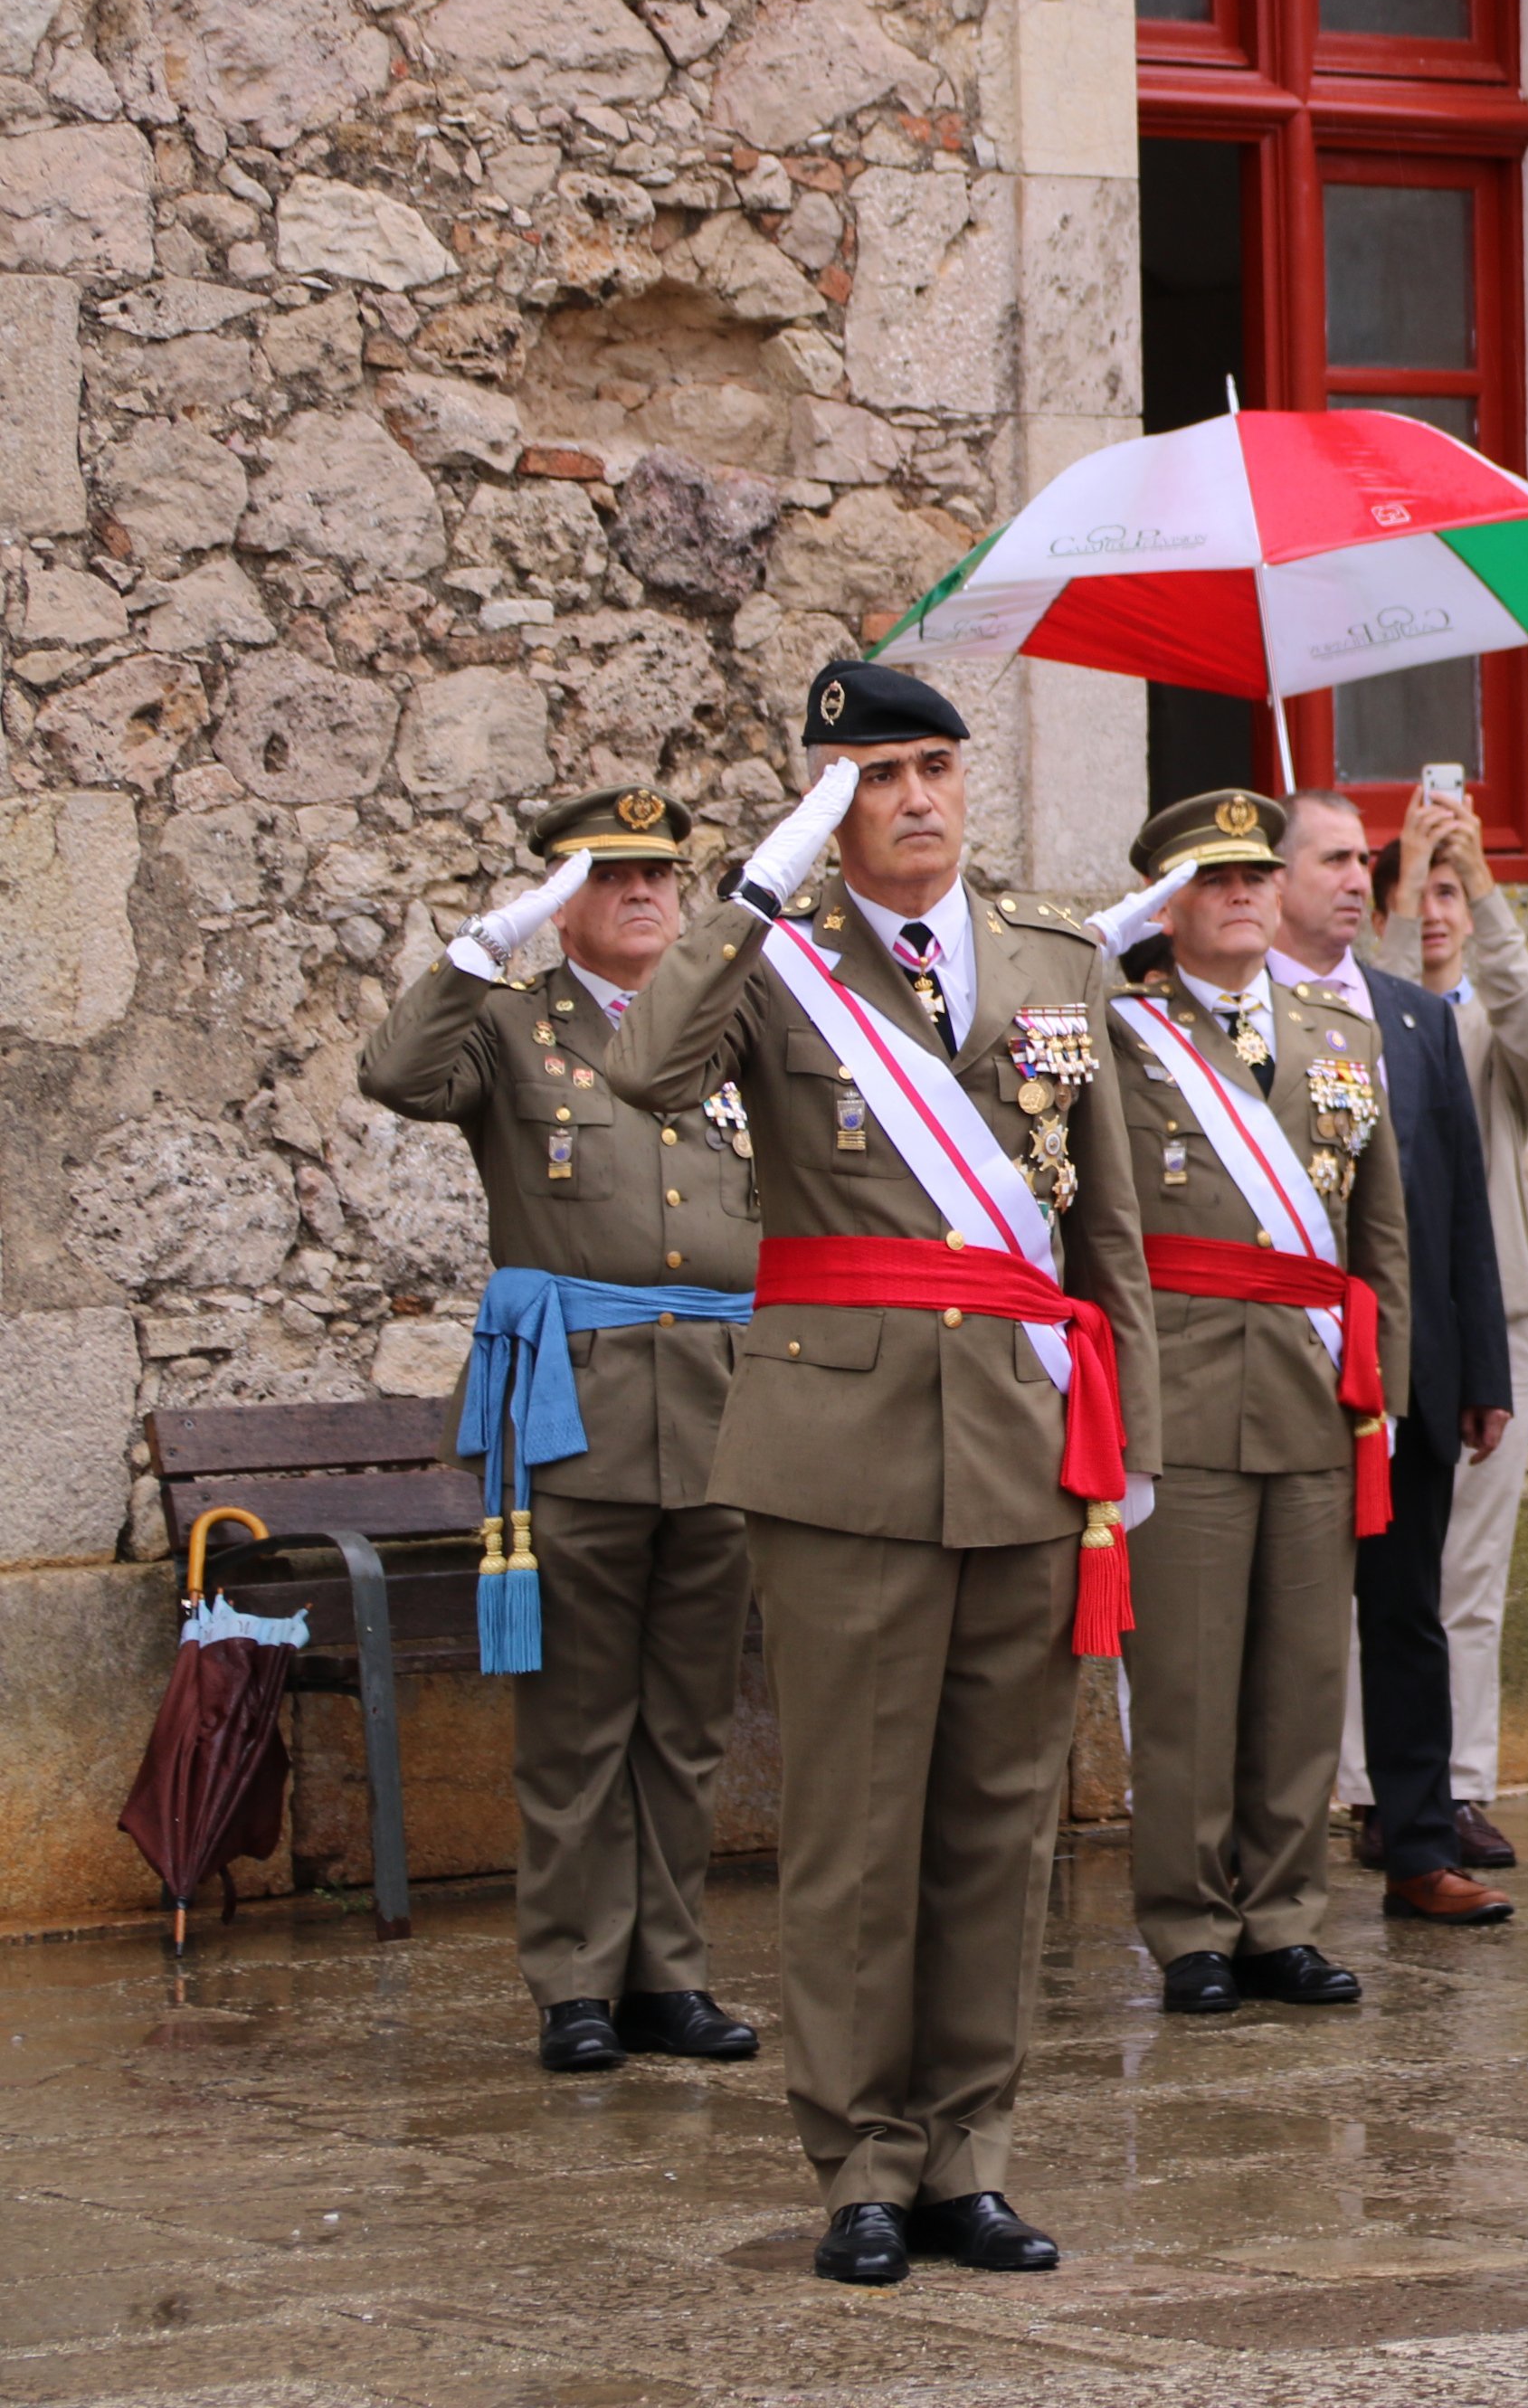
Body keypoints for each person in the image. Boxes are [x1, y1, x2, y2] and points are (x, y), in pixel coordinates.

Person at [600, 660, 1158, 2287]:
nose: (911, 797)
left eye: (930, 766)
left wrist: (1129, 1455)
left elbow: (1101, 1222)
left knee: (1002, 1821)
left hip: (1029, 1438)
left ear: (965, 778)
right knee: (853, 1826)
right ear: (829, 799)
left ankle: (966, 2151)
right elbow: (644, 1070)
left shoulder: (1055, 960)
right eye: (873, 775)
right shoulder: (774, 963)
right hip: (837, 1447)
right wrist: (754, 889)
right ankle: (858, 2154)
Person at [358, 784, 762, 2076]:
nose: (644, 891)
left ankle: (670, 1975)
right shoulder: (517, 1030)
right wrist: (490, 943)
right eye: (609, 873)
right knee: (579, 1714)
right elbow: (397, 1074)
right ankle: (576, 1983)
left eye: (661, 873)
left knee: (687, 1717)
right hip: (576, 1407)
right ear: (565, 898)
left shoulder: (729, 1028)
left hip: (723, 1397)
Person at [1086, 791, 1412, 2014]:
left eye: (1251, 873)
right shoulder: (1119, 1033)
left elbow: (1379, 1234)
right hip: (1180, 1387)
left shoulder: (1341, 1033)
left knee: (1299, 1680)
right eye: (1210, 877)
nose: (1238, 893)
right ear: (1165, 903)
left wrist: (1388, 1396)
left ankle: (1283, 1913)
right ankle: (1188, 1927)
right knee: (1187, 1683)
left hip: (1314, 1391)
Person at [1337, 788, 1528, 1870]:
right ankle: (1368, 1783)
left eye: (1448, 897)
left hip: (1487, 1317)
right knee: (1367, 1573)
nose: (1431, 912)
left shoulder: (1480, 1025)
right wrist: (1409, 858)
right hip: (1373, 1325)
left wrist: (1481, 881)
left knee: (1466, 1580)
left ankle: (1459, 1782)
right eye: (1409, 895)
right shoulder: (1358, 1010)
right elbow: (1347, 1012)